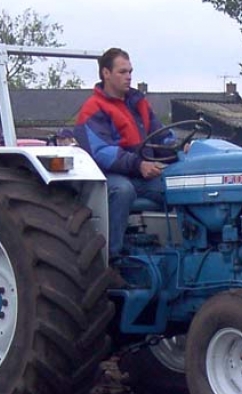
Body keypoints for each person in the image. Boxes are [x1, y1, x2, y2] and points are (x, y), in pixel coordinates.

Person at [73, 48, 170, 258]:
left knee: (177, 186)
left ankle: (178, 249)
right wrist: (138, 164)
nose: (128, 77)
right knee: (123, 190)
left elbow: (160, 134)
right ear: (106, 73)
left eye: (130, 72)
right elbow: (101, 151)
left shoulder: (139, 104)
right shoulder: (93, 108)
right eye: (122, 72)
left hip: (139, 172)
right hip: (108, 174)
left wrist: (178, 146)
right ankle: (111, 258)